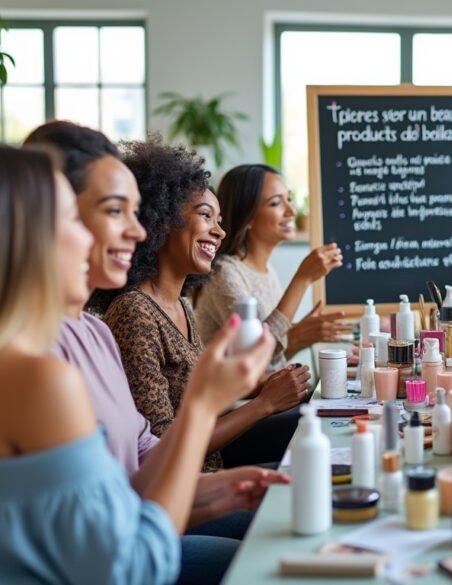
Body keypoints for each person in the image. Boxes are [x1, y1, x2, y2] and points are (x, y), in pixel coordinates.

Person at [0, 146, 283, 583]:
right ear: (20, 237)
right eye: (74, 218)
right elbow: (134, 569)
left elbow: (111, 490)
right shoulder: (34, 376)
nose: (136, 231)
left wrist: (210, 490)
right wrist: (202, 406)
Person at [24, 121, 287, 583]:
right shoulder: (40, 360)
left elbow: (144, 456)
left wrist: (218, 491)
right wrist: (211, 405)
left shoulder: (97, 331)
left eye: (137, 213)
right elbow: (109, 549)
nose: (139, 231)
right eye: (114, 211)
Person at [91, 136, 306, 472]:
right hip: (188, 493)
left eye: (219, 221)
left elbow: (197, 400)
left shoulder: (179, 305)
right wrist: (262, 405)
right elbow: (163, 445)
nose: (219, 232)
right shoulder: (135, 313)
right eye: (206, 216)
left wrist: (259, 386)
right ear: (161, 219)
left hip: (211, 470)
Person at [194, 163, 350, 370]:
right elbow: (255, 354)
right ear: (247, 216)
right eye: (276, 203)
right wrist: (302, 280)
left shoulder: (268, 272)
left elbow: (270, 361)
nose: (291, 211)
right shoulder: (224, 273)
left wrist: (301, 336)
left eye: (290, 200)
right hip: (236, 402)